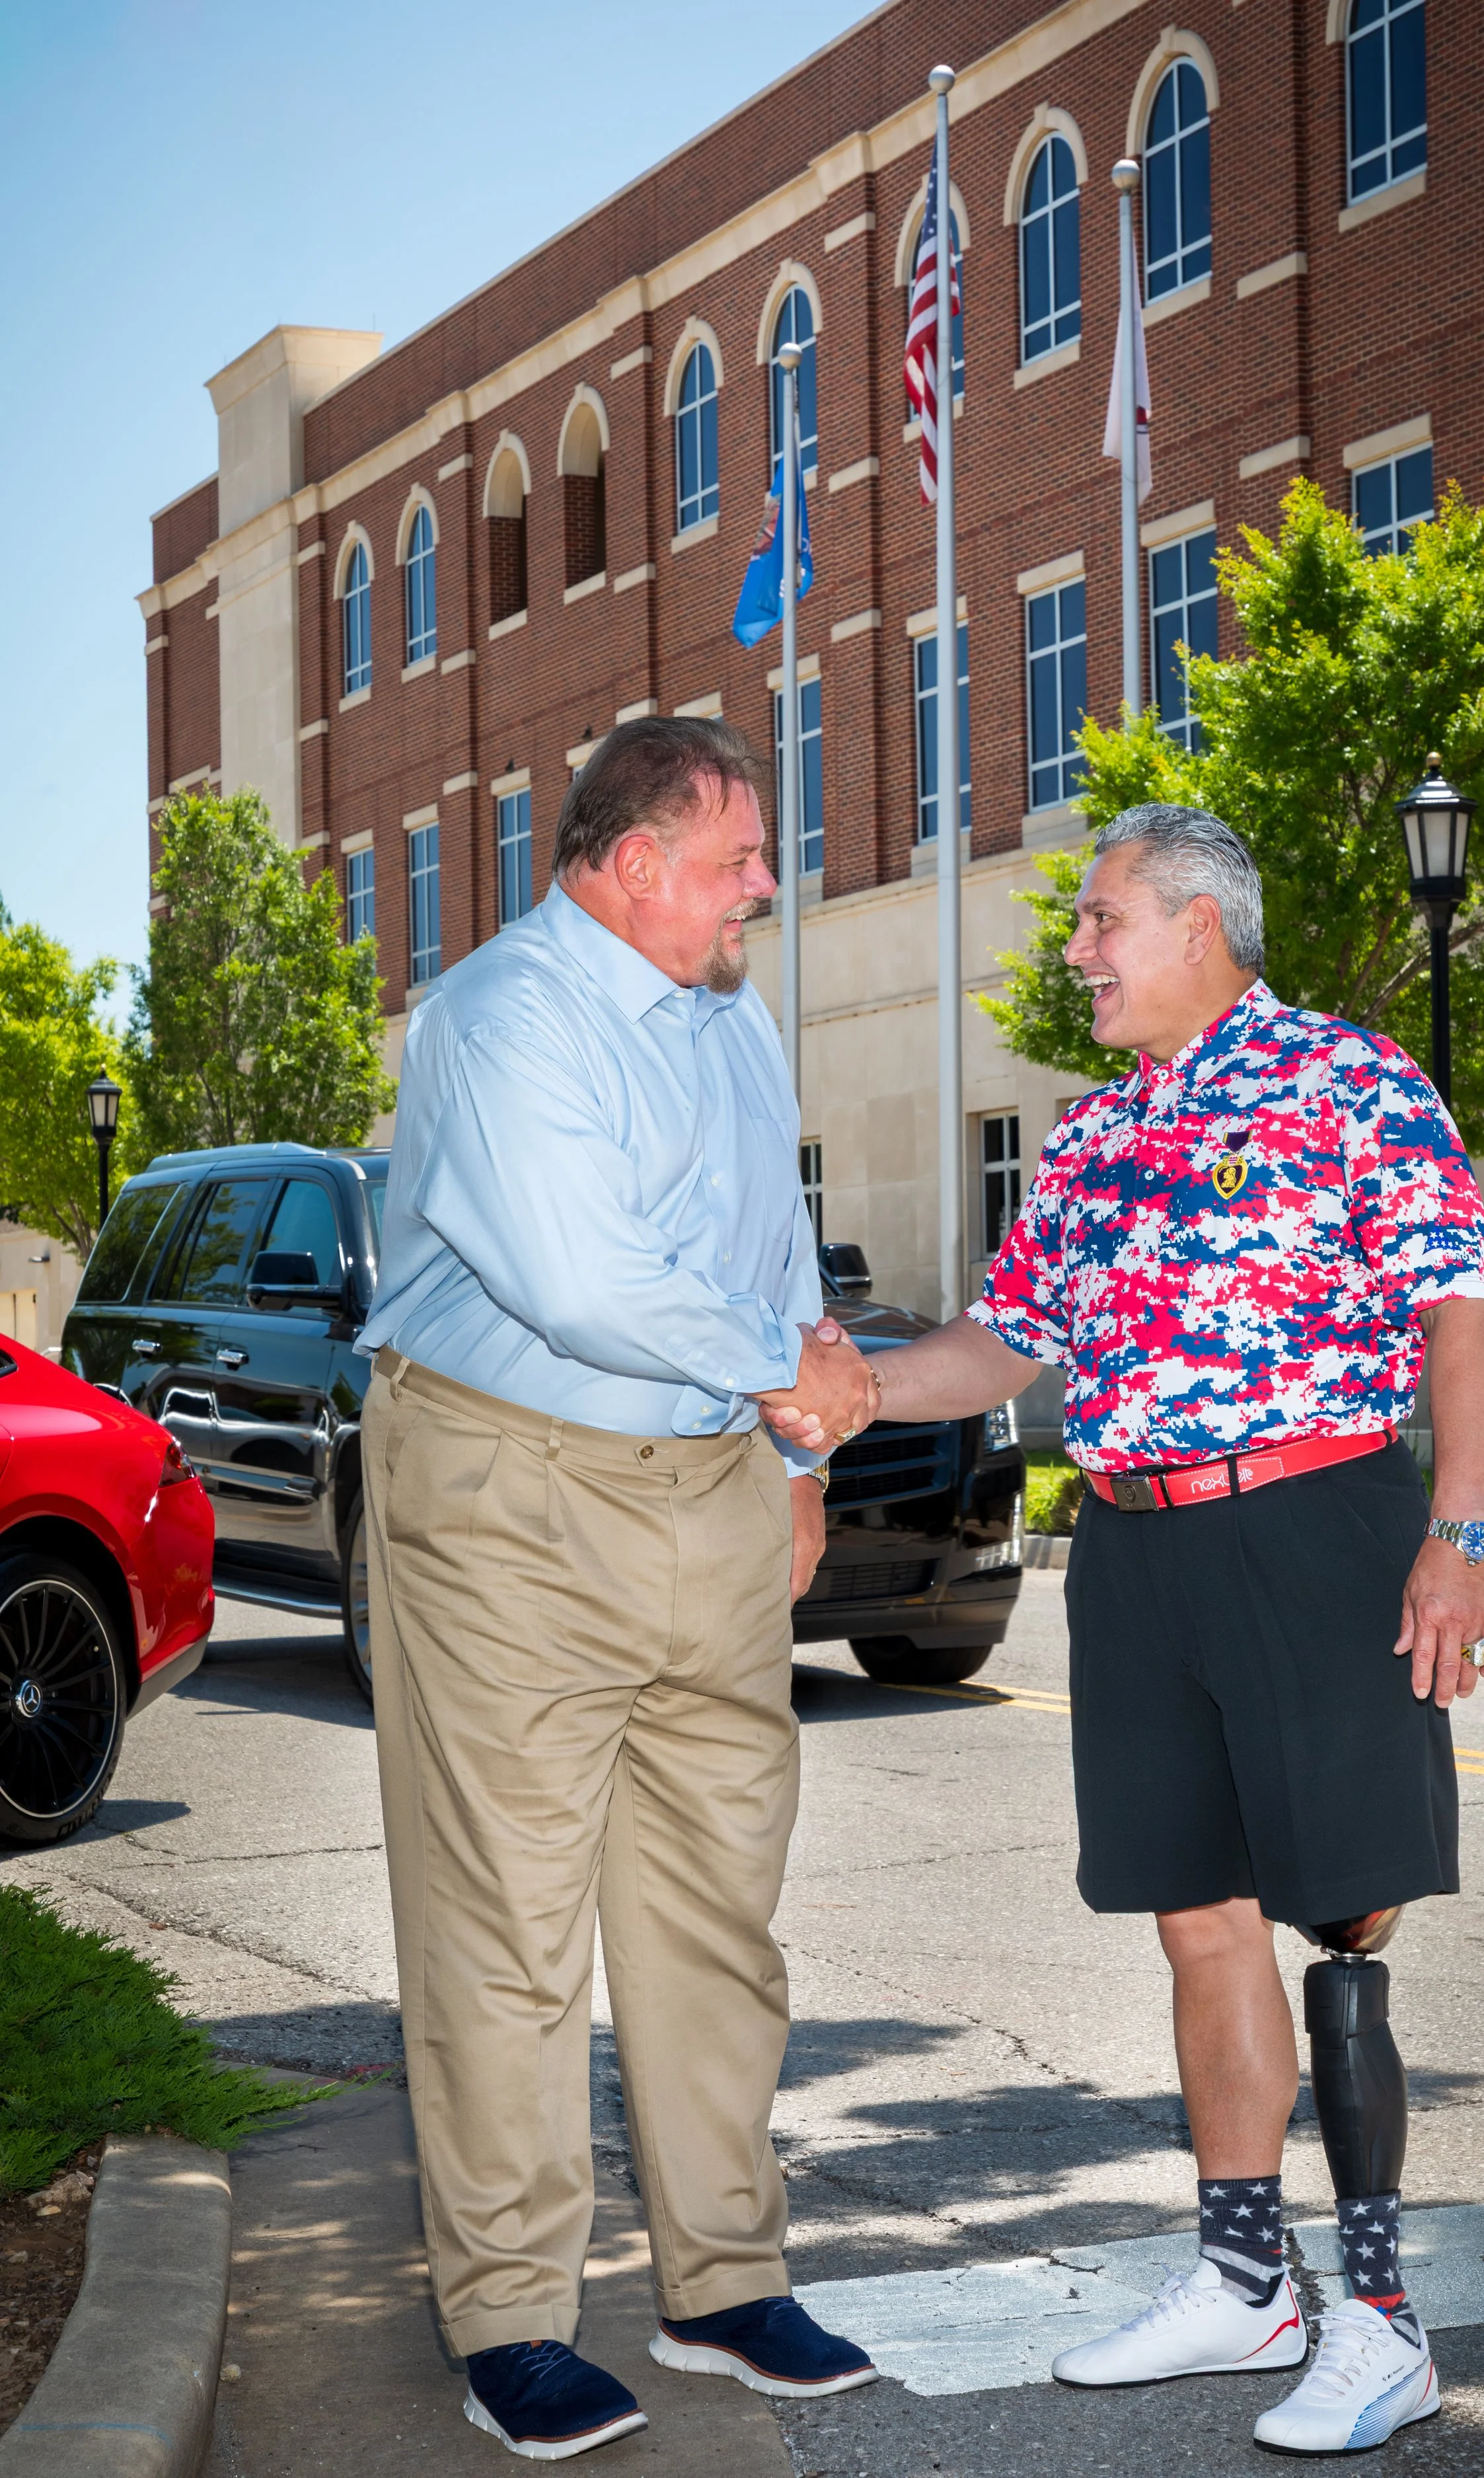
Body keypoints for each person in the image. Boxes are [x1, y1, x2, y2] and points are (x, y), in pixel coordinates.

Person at [774, 804, 1484, 2454]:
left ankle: (1381, 2321)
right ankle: (1244, 2276)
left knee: (1346, 1909)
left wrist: (1458, 1538)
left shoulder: (1346, 1079)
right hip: (1135, 1546)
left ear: (1196, 927)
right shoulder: (1095, 1136)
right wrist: (858, 1388)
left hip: (1315, 1524)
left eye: (1100, 920)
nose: (1078, 950)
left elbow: (1459, 1308)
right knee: (1196, 1916)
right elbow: (999, 1344)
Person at [359, 716, 882, 2461]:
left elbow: (770, 1242)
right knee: (504, 1928)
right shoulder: (504, 1017)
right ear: (628, 857)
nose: (765, 883)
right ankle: (510, 2313)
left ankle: (723, 2277)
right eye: (738, 856)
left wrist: (796, 1456)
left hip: (712, 1489)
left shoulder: (731, 1017)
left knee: (711, 1913)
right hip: (513, 1492)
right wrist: (786, 1376)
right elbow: (584, 1276)